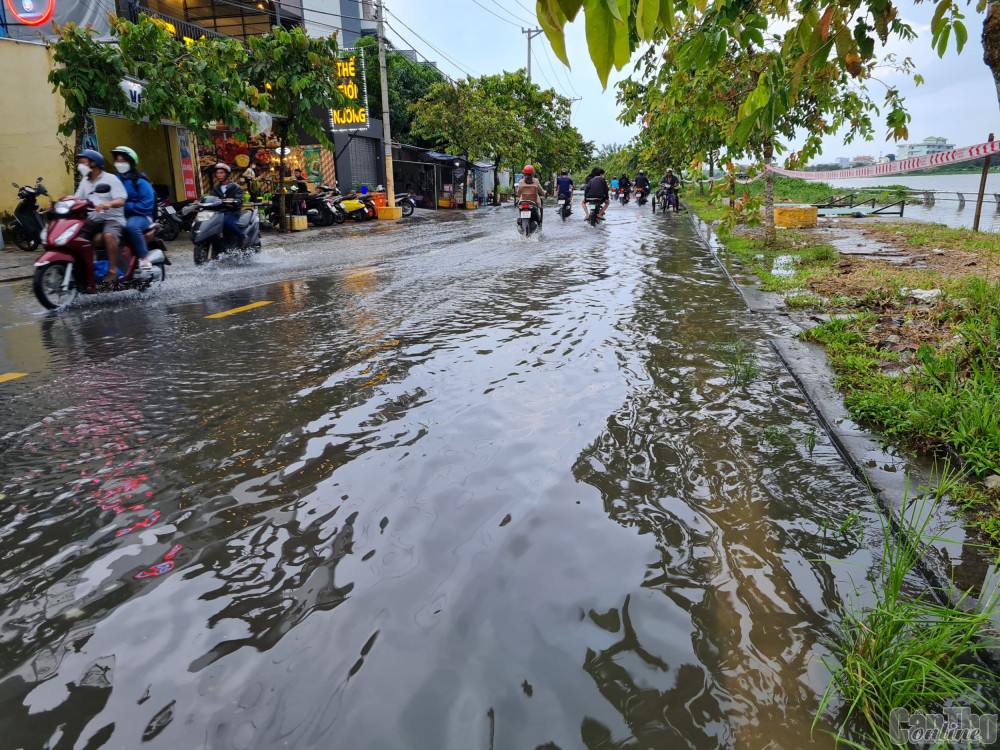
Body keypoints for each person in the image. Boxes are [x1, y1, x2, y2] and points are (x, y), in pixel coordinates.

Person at [75, 149, 128, 285]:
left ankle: (113, 270)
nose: (80, 165)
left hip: (113, 219)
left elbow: (121, 200)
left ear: (94, 163)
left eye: (83, 162)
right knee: (76, 238)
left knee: (108, 235)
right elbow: (77, 199)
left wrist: (107, 204)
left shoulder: (111, 179)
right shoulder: (84, 182)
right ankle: (81, 270)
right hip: (94, 219)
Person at [111, 146, 156, 273]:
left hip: (142, 215)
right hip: (120, 215)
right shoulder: (114, 180)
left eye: (123, 161)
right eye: (117, 161)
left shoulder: (140, 181)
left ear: (130, 162)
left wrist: (126, 206)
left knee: (131, 227)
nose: (120, 164)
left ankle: (144, 257)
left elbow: (147, 204)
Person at [211, 163, 250, 248]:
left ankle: (243, 237)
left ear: (227, 174)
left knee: (226, 222)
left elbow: (240, 199)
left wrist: (234, 200)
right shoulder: (215, 188)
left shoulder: (236, 187)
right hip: (219, 212)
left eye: (221, 173)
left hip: (232, 211)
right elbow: (212, 198)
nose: (219, 175)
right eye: (217, 173)